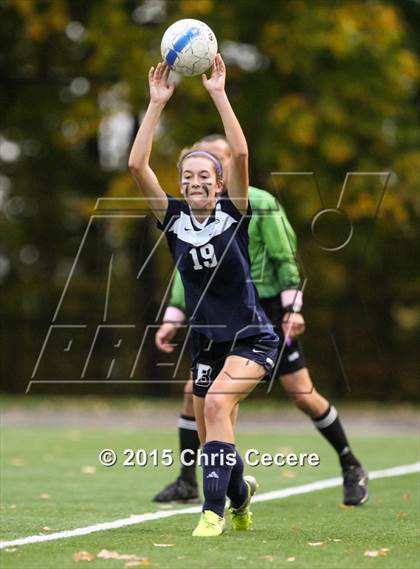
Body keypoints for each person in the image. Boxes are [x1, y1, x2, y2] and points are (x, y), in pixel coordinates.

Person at [153, 134, 369, 507]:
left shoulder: (257, 202)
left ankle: (350, 462)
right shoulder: (192, 214)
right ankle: (196, 482)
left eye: (218, 161)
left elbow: (286, 255)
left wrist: (292, 307)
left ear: (226, 171)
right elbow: (189, 270)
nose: (205, 175)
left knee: (302, 394)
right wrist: (174, 314)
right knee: (201, 397)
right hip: (220, 318)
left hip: (262, 312)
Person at [129, 55, 279, 537]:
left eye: (203, 176)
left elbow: (239, 154)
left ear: (218, 186)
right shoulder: (172, 219)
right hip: (207, 342)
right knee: (211, 424)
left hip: (252, 338)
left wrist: (218, 92)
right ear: (180, 185)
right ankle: (239, 496)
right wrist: (156, 104)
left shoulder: (234, 212)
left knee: (214, 406)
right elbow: (136, 164)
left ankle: (210, 513)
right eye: (187, 176)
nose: (194, 182)